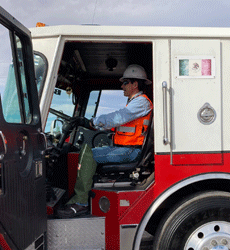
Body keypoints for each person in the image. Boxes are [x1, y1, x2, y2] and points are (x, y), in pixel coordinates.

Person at [57, 64, 153, 218]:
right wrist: (97, 126)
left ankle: (81, 203)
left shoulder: (141, 102)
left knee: (88, 153)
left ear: (135, 84)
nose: (122, 86)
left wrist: (91, 122)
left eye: (125, 82)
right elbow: (119, 123)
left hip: (131, 151)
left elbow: (119, 117)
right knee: (89, 150)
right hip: (127, 148)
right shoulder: (135, 102)